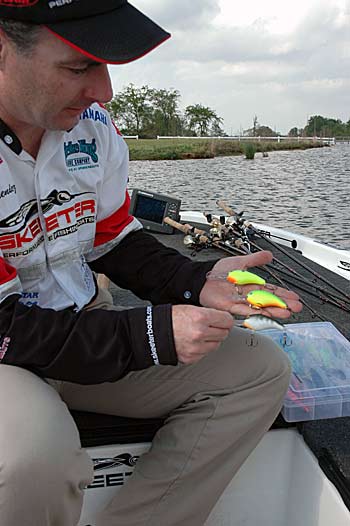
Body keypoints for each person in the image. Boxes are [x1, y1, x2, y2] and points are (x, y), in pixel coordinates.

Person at [0, 2, 302, 525]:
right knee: (31, 460)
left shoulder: (91, 127)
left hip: (80, 319)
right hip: (8, 353)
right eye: (79, 67)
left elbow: (112, 239)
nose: (104, 92)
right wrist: (148, 334)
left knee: (258, 371)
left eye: (105, 66)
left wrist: (193, 282)